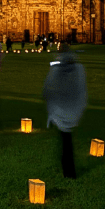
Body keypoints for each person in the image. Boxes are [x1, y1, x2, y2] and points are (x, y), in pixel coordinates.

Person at [42, 43, 87, 179]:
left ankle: (68, 172)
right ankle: (69, 171)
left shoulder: (57, 68)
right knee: (67, 140)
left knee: (65, 142)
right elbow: (82, 89)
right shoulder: (78, 68)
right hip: (73, 110)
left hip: (61, 111)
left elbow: (47, 90)